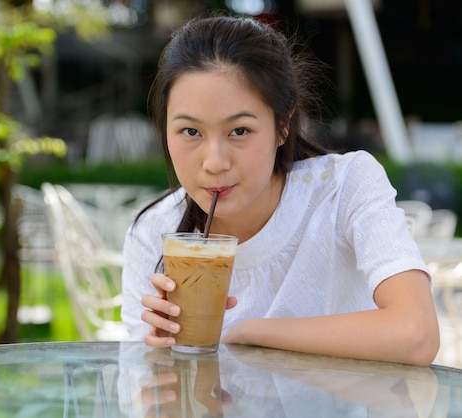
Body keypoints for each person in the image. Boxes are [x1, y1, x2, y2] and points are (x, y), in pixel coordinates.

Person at [120, 14, 440, 366]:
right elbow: (143, 400)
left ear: (283, 126)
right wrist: (161, 361)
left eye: (239, 131)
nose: (214, 163)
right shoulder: (154, 233)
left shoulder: (344, 188)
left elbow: (416, 334)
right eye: (191, 132)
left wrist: (248, 334)